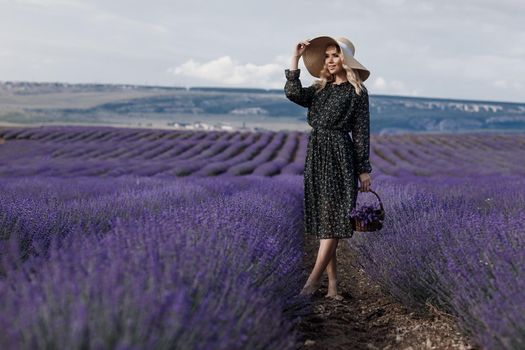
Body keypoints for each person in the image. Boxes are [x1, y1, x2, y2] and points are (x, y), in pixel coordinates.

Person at [284, 36, 372, 300]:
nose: (330, 61)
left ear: (345, 60)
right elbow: (292, 93)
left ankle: (311, 284)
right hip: (317, 153)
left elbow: (361, 133)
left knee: (334, 221)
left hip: (339, 155)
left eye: (335, 55)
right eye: (327, 56)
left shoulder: (357, 93)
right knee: (326, 221)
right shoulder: (320, 88)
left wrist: (363, 169)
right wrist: (295, 58)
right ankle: (333, 287)